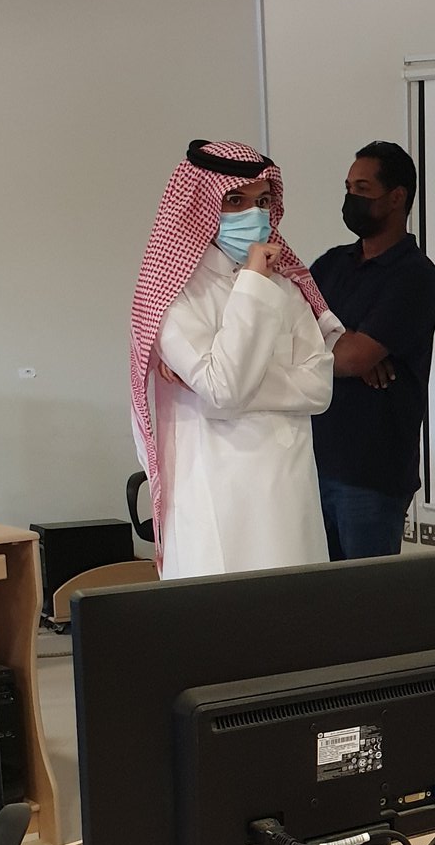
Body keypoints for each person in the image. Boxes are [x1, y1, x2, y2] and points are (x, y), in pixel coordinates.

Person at [130, 139, 340, 580]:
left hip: (288, 498)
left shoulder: (287, 286)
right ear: (202, 205)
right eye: (235, 201)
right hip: (213, 503)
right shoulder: (173, 293)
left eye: (262, 201)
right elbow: (226, 389)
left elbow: (319, 388)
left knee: (296, 611)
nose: (255, 215)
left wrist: (221, 391)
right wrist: (252, 283)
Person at [311, 141, 435, 559]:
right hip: (312, 464)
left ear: (397, 197)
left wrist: (345, 353)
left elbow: (354, 358)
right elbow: (284, 332)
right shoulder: (330, 264)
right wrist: (345, 346)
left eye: (363, 189)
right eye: (348, 188)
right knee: (311, 593)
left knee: (366, 596)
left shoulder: (415, 276)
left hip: (372, 476)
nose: (351, 198)